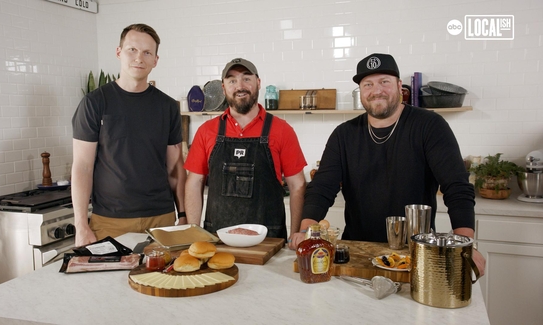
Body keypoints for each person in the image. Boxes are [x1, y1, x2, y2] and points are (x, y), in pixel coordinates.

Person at [296, 53, 486, 275]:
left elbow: (457, 187)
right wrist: (305, 232)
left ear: (399, 86)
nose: (376, 90)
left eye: (384, 82)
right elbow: (321, 188)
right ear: (361, 92)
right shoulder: (344, 135)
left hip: (415, 254)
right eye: (368, 84)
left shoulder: (430, 126)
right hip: (358, 251)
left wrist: (465, 245)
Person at [71, 23, 186, 246]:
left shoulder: (168, 106)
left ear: (155, 60)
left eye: (147, 53)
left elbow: (175, 167)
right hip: (110, 221)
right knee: (108, 282)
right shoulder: (94, 103)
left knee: (165, 280)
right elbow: (82, 167)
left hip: (161, 219)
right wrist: (81, 225)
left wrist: (182, 215)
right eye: (132, 50)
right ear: (118, 52)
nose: (139, 58)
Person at [184, 58, 307, 249]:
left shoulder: (282, 130)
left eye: (246, 79)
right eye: (232, 80)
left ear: (258, 83)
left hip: (269, 242)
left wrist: (295, 234)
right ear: (224, 88)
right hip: (217, 240)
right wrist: (193, 230)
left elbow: (297, 185)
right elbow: (194, 182)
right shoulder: (207, 131)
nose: (240, 86)